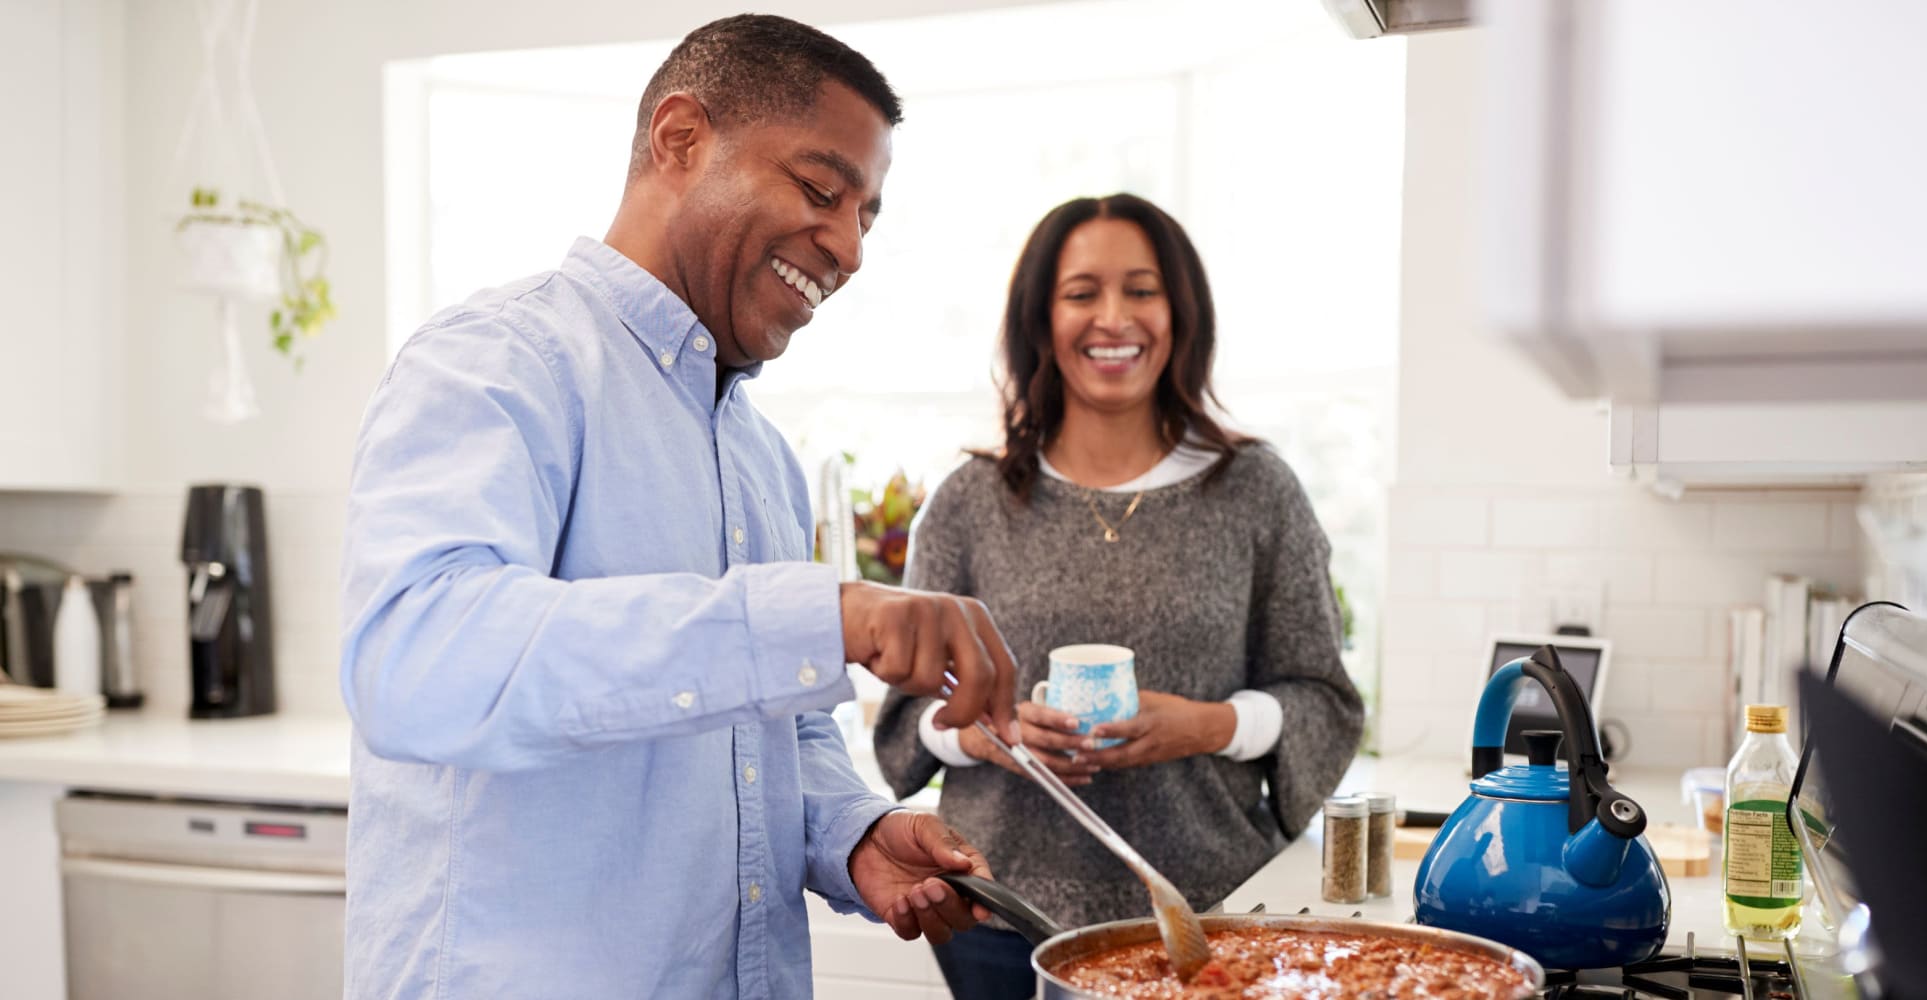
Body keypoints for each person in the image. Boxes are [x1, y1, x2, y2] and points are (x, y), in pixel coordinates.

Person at [339, 15, 1019, 1000]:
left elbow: (776, 739)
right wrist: (824, 616)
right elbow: (418, 658)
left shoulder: (761, 459)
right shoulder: (497, 362)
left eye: (865, 216)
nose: (848, 249)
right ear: (679, 138)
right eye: (822, 190)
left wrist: (851, 831)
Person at [873, 193, 1365, 999]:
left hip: (1212, 915)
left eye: (1141, 289)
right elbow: (905, 719)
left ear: (1181, 314)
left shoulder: (1257, 492)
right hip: (1001, 915)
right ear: (1040, 318)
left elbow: (1324, 700)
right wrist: (987, 733)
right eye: (1080, 292)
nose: (1113, 317)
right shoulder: (969, 501)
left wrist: (1207, 726)